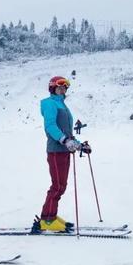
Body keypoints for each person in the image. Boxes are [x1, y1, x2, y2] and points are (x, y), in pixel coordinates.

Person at [37, 75, 91, 232]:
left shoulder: (62, 106)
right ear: (53, 88)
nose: (63, 90)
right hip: (56, 151)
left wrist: (79, 145)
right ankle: (47, 220)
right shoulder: (49, 104)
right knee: (57, 186)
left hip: (64, 150)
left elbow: (67, 131)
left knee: (61, 186)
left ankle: (50, 215)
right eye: (60, 87)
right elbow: (50, 126)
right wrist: (65, 141)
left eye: (65, 87)